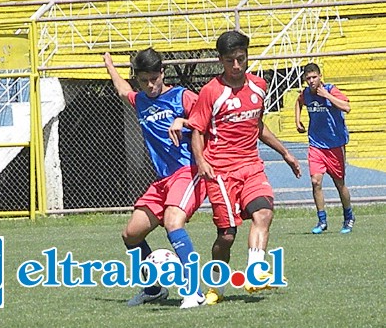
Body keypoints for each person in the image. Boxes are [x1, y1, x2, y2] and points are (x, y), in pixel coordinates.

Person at [187, 31, 302, 304]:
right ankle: (217, 285)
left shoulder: (259, 86)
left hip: (251, 166)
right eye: (230, 61)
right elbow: (198, 131)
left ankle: (255, 272)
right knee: (227, 235)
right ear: (221, 61)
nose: (236, 66)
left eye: (241, 59)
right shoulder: (211, 92)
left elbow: (257, 125)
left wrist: (285, 152)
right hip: (221, 172)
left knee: (263, 211)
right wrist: (201, 161)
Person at [103, 48, 207, 309]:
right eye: (143, 80)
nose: (149, 85)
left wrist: (182, 121)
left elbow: (208, 117)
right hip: (162, 181)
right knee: (131, 234)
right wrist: (110, 67)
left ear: (163, 73)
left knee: (173, 222)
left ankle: (194, 291)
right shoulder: (140, 100)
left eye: (154, 78)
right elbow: (122, 89)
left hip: (187, 172)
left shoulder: (181, 96)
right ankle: (153, 289)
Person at [295, 62, 354, 234]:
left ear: (320, 77)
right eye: (308, 78)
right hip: (316, 145)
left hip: (335, 145)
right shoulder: (306, 93)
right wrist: (298, 120)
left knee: (339, 184)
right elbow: (299, 102)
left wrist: (327, 96)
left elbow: (347, 107)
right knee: (315, 182)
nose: (312, 81)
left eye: (314, 77)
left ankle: (348, 217)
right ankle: (322, 220)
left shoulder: (331, 89)